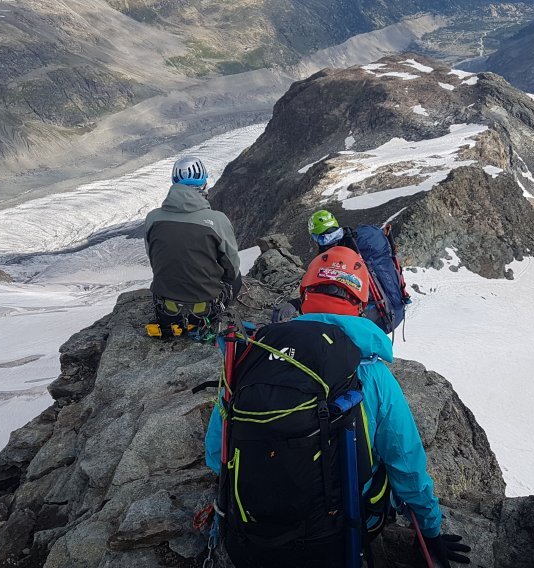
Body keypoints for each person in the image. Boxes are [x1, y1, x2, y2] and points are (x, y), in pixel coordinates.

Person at [205, 247, 470, 568]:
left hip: (250, 536)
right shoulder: (370, 372)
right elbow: (406, 465)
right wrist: (429, 531)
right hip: (334, 540)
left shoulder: (250, 356)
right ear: (360, 306)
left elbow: (215, 455)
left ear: (304, 295)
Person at [144, 156, 241, 332]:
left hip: (167, 311)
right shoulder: (217, 220)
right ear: (203, 184)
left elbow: (154, 259)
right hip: (205, 312)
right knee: (237, 277)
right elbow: (231, 270)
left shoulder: (152, 219)